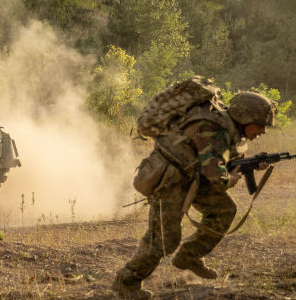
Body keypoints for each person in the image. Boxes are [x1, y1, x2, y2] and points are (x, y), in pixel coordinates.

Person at [112, 91, 277, 300]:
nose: (262, 131)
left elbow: (221, 159)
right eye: (260, 124)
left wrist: (249, 165)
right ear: (245, 118)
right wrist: (229, 179)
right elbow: (215, 172)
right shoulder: (213, 127)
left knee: (224, 210)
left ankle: (188, 256)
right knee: (164, 239)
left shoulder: (229, 128)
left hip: (194, 178)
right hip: (171, 180)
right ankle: (126, 282)